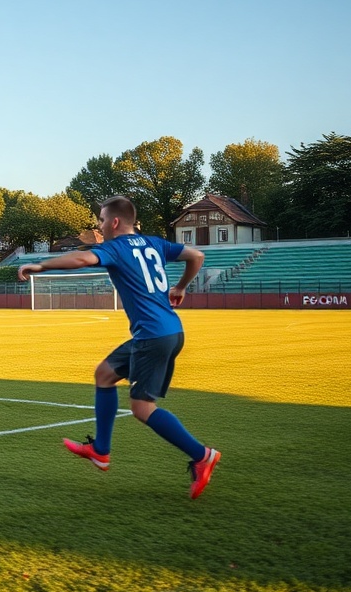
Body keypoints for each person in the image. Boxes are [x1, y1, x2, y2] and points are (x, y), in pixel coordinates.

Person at [17, 195, 220, 499]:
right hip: (166, 331)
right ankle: (101, 451)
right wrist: (180, 287)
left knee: (142, 408)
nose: (99, 226)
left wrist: (41, 265)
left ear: (114, 222)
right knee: (104, 374)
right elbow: (197, 256)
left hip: (153, 336)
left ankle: (202, 456)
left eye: (101, 221)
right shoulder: (154, 243)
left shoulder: (116, 248)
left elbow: (82, 259)